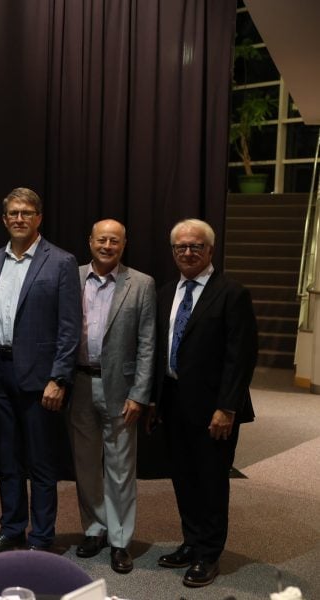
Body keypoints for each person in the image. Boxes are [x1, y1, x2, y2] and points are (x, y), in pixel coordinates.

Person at [152, 218, 257, 588]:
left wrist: (227, 407)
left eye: (196, 246)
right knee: (184, 478)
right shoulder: (166, 292)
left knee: (211, 482)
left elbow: (240, 357)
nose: (188, 252)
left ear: (210, 250)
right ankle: (191, 542)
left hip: (216, 410)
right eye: (180, 246)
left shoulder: (231, 293)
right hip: (174, 401)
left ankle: (208, 555)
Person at [0, 187, 81, 555]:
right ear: (4, 220)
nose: (19, 219)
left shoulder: (61, 262)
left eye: (26, 213)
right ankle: (11, 529)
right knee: (7, 459)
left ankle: (41, 537)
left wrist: (59, 377)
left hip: (41, 378)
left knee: (40, 461)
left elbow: (70, 326)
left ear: (39, 218)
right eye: (13, 214)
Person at [69, 219, 156, 574]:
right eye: (101, 239)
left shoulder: (142, 284)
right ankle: (95, 530)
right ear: (90, 241)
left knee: (120, 468)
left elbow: (148, 343)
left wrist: (141, 393)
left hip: (121, 390)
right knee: (86, 464)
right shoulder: (70, 277)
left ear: (124, 244)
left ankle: (120, 541)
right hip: (78, 384)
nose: (107, 245)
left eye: (114, 240)